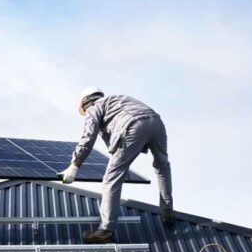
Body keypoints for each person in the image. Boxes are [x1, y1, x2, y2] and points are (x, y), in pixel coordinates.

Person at [59, 87, 174, 243]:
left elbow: (88, 136)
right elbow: (113, 140)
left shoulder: (94, 108)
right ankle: (167, 211)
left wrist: (75, 165)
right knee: (162, 166)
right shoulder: (117, 100)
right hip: (156, 122)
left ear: (85, 103)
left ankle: (105, 230)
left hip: (132, 125)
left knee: (110, 179)